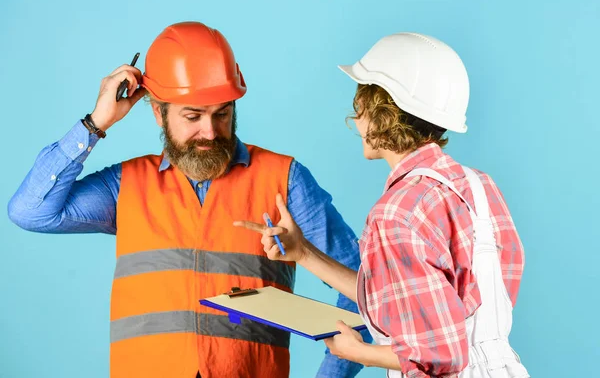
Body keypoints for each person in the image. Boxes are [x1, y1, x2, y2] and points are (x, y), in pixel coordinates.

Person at [7, 21, 371, 378]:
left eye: (222, 114)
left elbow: (365, 290)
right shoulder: (125, 185)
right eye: (193, 116)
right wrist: (96, 123)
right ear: (157, 112)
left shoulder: (285, 179)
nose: (210, 132)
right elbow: (31, 211)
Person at [236, 33, 530, 378]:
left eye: (359, 108)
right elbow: (454, 311)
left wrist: (360, 352)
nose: (356, 121)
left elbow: (443, 355)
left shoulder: (396, 212)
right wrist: (303, 253)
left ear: (381, 114)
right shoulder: (479, 186)